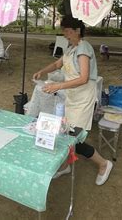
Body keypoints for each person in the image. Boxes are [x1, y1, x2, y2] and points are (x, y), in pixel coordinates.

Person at [32, 15, 113, 186]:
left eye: (68, 31)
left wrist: (58, 86)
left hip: (83, 97)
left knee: (76, 137)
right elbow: (57, 65)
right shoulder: (71, 48)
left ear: (77, 30)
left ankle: (104, 163)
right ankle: (65, 165)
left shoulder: (84, 48)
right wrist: (42, 71)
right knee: (67, 132)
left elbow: (83, 78)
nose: (66, 35)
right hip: (73, 96)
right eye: (64, 32)